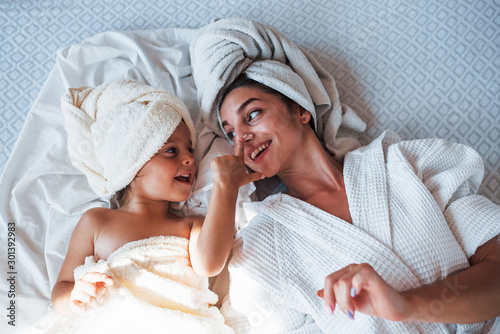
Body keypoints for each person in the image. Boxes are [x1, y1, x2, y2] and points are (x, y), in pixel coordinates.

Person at [190, 18, 500, 333]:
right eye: (230, 133)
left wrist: (408, 305)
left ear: (300, 110)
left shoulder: (403, 164)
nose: (242, 138)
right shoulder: (262, 247)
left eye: (253, 115)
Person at [49, 79, 262, 333]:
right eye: (171, 150)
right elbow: (60, 289)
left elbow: (210, 265)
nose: (189, 159)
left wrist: (227, 187)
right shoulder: (97, 221)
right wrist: (75, 297)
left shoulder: (191, 225)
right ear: (133, 162)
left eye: (190, 150)